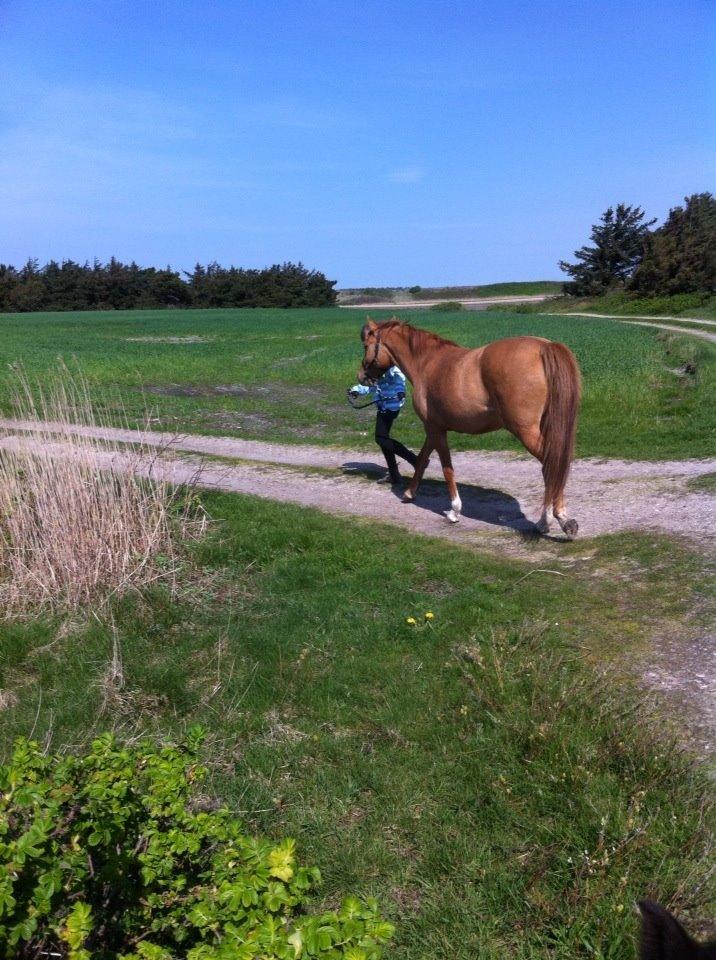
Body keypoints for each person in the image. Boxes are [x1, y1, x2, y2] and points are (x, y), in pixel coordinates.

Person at [349, 365, 418, 486]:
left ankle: (415, 461)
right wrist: (356, 390)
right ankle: (394, 474)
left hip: (391, 407)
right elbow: (371, 386)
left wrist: (400, 391)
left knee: (381, 438)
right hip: (382, 406)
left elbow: (399, 381)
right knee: (383, 440)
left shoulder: (393, 370)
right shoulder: (378, 370)